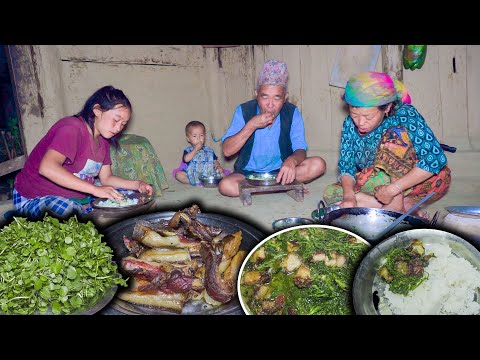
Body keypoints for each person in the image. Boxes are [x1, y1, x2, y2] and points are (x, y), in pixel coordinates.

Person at [13, 85, 154, 219]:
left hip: (74, 199)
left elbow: (106, 179)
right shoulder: (71, 128)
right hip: (34, 197)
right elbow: (47, 168)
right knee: (70, 213)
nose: (118, 128)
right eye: (116, 120)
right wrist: (94, 189)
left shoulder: (103, 140)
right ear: (97, 110)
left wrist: (137, 185)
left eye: (123, 124)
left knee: (127, 198)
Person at [323, 71, 451, 217]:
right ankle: (406, 208)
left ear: (388, 107)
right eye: (354, 115)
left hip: (415, 180)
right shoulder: (349, 124)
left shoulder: (405, 114)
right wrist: (349, 196)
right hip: (378, 183)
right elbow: (346, 166)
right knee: (332, 193)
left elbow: (435, 159)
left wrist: (393, 189)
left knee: (395, 135)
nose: (360, 122)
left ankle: (395, 206)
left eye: (368, 116)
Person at [218, 59, 326, 197]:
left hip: (282, 171)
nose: (270, 105)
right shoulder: (244, 111)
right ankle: (283, 186)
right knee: (226, 186)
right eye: (265, 97)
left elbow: (300, 149)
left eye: (277, 98)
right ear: (256, 94)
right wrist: (251, 125)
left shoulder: (292, 112)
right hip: (248, 175)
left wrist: (291, 161)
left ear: (285, 97)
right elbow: (227, 151)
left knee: (318, 165)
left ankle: (270, 186)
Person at [173, 120, 228, 186]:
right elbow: (186, 159)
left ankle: (213, 181)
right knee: (179, 175)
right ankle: (195, 182)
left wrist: (218, 166)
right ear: (188, 139)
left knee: (222, 174)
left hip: (209, 172)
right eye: (194, 136)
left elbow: (214, 161)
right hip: (193, 173)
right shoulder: (188, 150)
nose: (198, 138)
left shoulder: (209, 150)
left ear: (204, 136)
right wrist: (195, 149)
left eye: (201, 135)